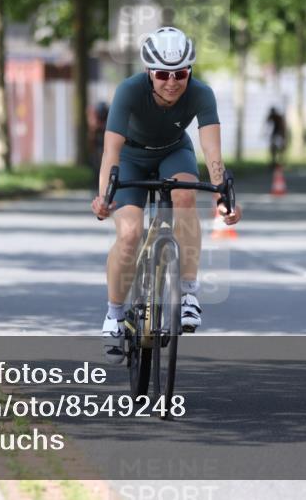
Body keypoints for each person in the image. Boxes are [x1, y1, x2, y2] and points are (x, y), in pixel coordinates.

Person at [91, 26, 242, 363]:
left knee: (185, 198)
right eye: (162, 74)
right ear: (149, 72)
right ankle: (115, 314)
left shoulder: (202, 94)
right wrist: (104, 196)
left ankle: (187, 292)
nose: (172, 82)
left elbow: (212, 150)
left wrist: (223, 196)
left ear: (190, 71)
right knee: (129, 234)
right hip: (130, 158)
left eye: (181, 74)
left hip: (174, 152)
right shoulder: (129, 91)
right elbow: (110, 153)